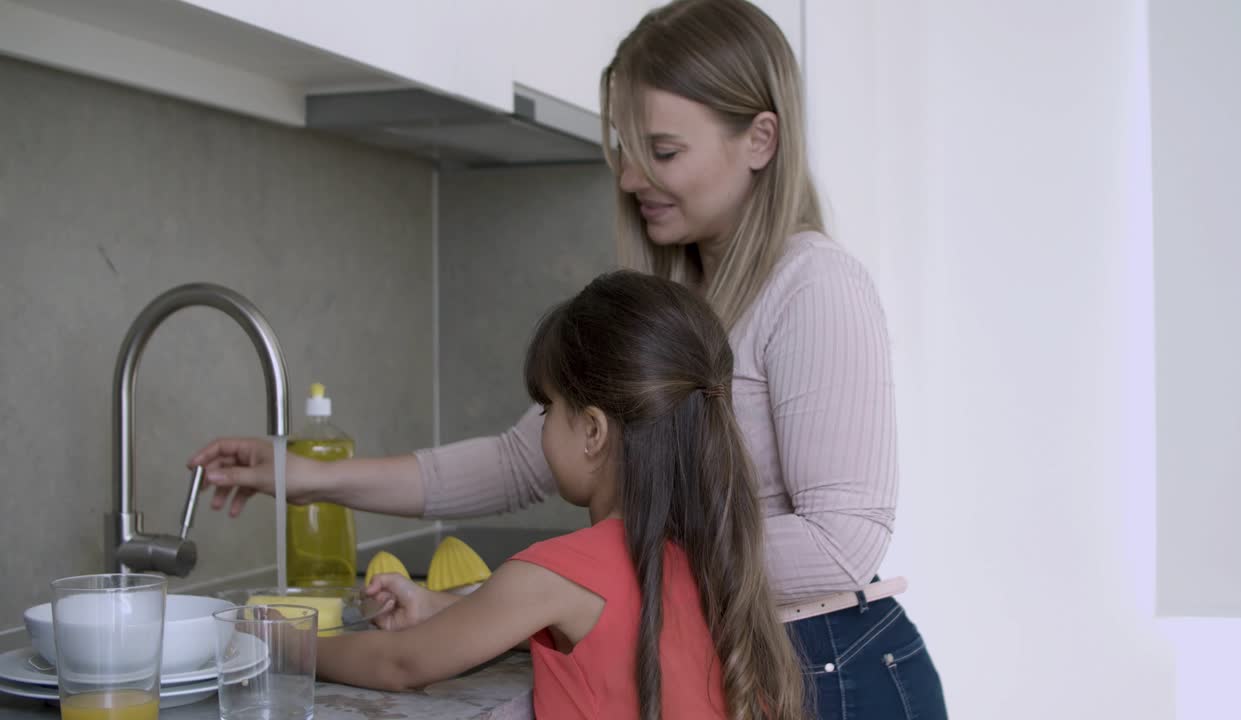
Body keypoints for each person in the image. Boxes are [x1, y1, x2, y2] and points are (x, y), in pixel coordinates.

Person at [191, 1, 948, 716]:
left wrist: (598, 571)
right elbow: (519, 460)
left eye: (663, 151)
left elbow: (842, 543)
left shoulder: (813, 285)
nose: (628, 178)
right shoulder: (686, 295)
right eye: (623, 150)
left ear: (760, 139)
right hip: (744, 654)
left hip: (833, 667)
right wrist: (307, 477)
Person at [314, 271, 806, 719]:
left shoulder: (558, 571)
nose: (541, 429)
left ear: (593, 430)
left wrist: (279, 644)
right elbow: (603, 631)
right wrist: (436, 608)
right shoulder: (710, 554)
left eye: (547, 409)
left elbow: (401, 663)